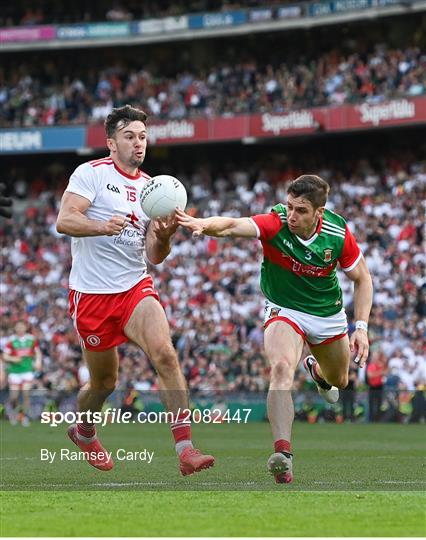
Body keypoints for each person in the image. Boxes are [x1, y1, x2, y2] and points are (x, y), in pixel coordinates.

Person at [176, 174, 373, 484]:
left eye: (302, 211)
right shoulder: (276, 222)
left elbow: (363, 279)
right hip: (285, 308)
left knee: (340, 380)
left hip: (326, 314)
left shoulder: (337, 232)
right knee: (281, 368)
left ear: (319, 212)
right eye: (290, 207)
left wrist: (360, 327)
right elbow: (232, 225)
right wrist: (202, 224)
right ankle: (283, 454)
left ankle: (319, 372)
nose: (292, 216)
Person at [56, 104, 214, 475]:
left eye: (143, 136)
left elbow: (154, 256)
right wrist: (101, 226)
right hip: (92, 295)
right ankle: (84, 431)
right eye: (130, 136)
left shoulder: (152, 189)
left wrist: (166, 235)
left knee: (165, 354)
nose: (138, 143)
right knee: (104, 383)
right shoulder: (90, 174)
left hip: (134, 287)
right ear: (112, 143)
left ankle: (186, 450)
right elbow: (65, 220)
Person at [2, 321, 42, 426]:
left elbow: (37, 353)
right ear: (15, 328)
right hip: (14, 372)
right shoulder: (11, 340)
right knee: (13, 397)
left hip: (27, 370)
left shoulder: (31, 339)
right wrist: (13, 359)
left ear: (25, 327)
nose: (20, 329)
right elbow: (5, 356)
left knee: (26, 394)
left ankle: (23, 416)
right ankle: (14, 413)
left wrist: (38, 362)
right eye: (18, 327)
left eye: (22, 326)